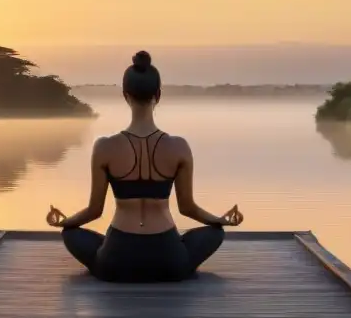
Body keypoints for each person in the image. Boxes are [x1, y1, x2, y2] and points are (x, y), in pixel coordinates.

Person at [47, 50, 243, 282]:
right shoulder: (179, 147)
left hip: (117, 260)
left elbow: (94, 211)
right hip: (168, 260)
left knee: (71, 234)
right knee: (214, 233)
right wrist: (219, 220)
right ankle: (178, 254)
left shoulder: (104, 147)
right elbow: (187, 208)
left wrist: (65, 221)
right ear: (158, 95)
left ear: (125, 95)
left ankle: (105, 250)